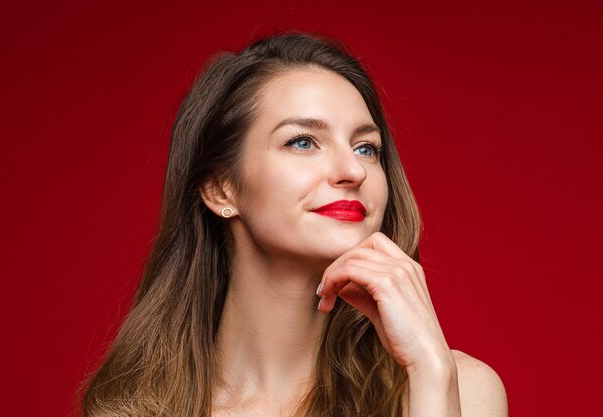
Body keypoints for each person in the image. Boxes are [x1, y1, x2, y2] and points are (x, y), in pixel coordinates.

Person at [79, 31, 508, 417]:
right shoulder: (134, 408)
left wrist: (431, 373)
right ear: (221, 189)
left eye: (366, 148)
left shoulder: (456, 388)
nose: (352, 171)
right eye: (303, 141)